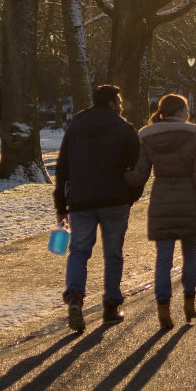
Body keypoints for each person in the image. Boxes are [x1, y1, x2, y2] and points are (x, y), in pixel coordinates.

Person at [125, 94, 196, 329]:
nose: (188, 113)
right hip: (189, 203)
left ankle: (163, 309)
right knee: (190, 255)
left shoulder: (149, 138)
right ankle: (189, 304)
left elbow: (139, 175)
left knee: (163, 259)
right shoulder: (192, 137)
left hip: (161, 203)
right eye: (186, 109)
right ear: (180, 111)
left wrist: (118, 175)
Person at [53, 84, 142, 332]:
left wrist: (61, 203)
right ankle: (111, 307)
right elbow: (138, 167)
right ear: (112, 102)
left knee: (79, 251)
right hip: (115, 200)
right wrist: (131, 196)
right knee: (113, 253)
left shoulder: (75, 127)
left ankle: (74, 297)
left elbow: (62, 167)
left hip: (80, 200)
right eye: (119, 101)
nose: (121, 105)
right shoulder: (124, 129)